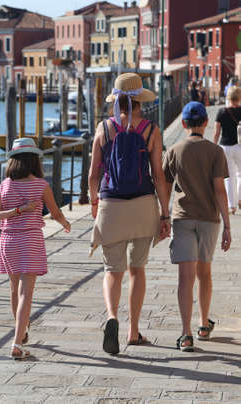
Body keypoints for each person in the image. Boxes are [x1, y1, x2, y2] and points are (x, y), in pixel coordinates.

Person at [88, 73, 171, 355]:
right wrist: (165, 213)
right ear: (140, 102)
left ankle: (112, 317)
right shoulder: (151, 130)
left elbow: (92, 174)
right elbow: (158, 175)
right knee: (137, 270)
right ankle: (133, 331)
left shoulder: (104, 128)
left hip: (111, 205)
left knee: (113, 271)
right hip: (143, 204)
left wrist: (94, 203)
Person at [0, 137, 71, 359]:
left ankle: (22, 330)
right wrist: (65, 224)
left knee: (14, 290)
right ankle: (16, 343)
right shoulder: (41, 185)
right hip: (30, 240)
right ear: (34, 160)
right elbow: (55, 212)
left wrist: (15, 211)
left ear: (13, 161)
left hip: (8, 240)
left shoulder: (5, 185)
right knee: (27, 292)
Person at [163, 101, 231, 352]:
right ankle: (203, 324)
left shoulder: (174, 150)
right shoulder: (215, 152)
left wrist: (162, 216)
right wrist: (228, 226)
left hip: (182, 217)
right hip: (209, 219)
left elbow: (165, 185)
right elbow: (220, 191)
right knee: (205, 273)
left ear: (183, 124)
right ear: (205, 123)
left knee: (185, 277)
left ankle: (186, 334)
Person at [213, 86, 241, 214]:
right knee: (240, 174)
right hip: (239, 146)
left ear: (228, 97)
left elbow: (217, 132)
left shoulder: (222, 112)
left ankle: (232, 206)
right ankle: (240, 199)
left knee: (229, 177)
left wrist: (213, 146)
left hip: (225, 147)